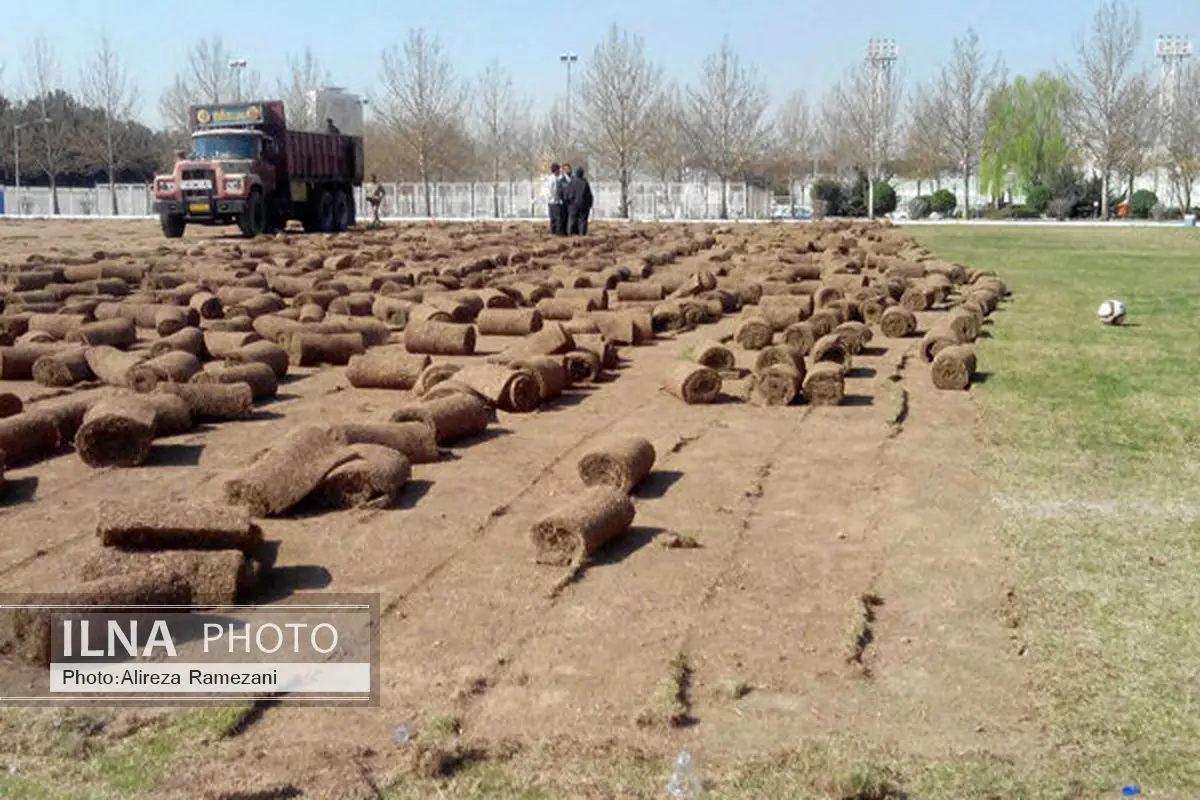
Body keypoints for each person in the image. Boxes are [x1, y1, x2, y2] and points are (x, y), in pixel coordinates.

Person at [564, 166, 593, 236]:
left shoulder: (571, 182)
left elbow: (566, 194)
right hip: (583, 205)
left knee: (572, 220)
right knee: (582, 221)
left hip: (573, 205)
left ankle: (570, 234)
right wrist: (589, 204)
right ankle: (582, 235)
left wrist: (567, 203)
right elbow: (589, 195)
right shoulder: (585, 183)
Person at [544, 163, 563, 235]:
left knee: (552, 219)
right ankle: (558, 234)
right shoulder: (555, 180)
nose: (560, 172)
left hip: (550, 202)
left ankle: (553, 233)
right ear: (556, 170)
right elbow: (556, 191)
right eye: (559, 170)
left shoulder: (549, 179)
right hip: (555, 202)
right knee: (558, 219)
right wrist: (559, 199)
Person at [557, 164, 573, 235]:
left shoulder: (573, 179)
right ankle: (563, 233)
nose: (568, 170)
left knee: (571, 218)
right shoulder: (561, 180)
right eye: (566, 169)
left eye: (569, 169)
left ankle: (570, 232)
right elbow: (559, 191)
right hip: (564, 202)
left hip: (572, 202)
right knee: (563, 218)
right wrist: (561, 199)